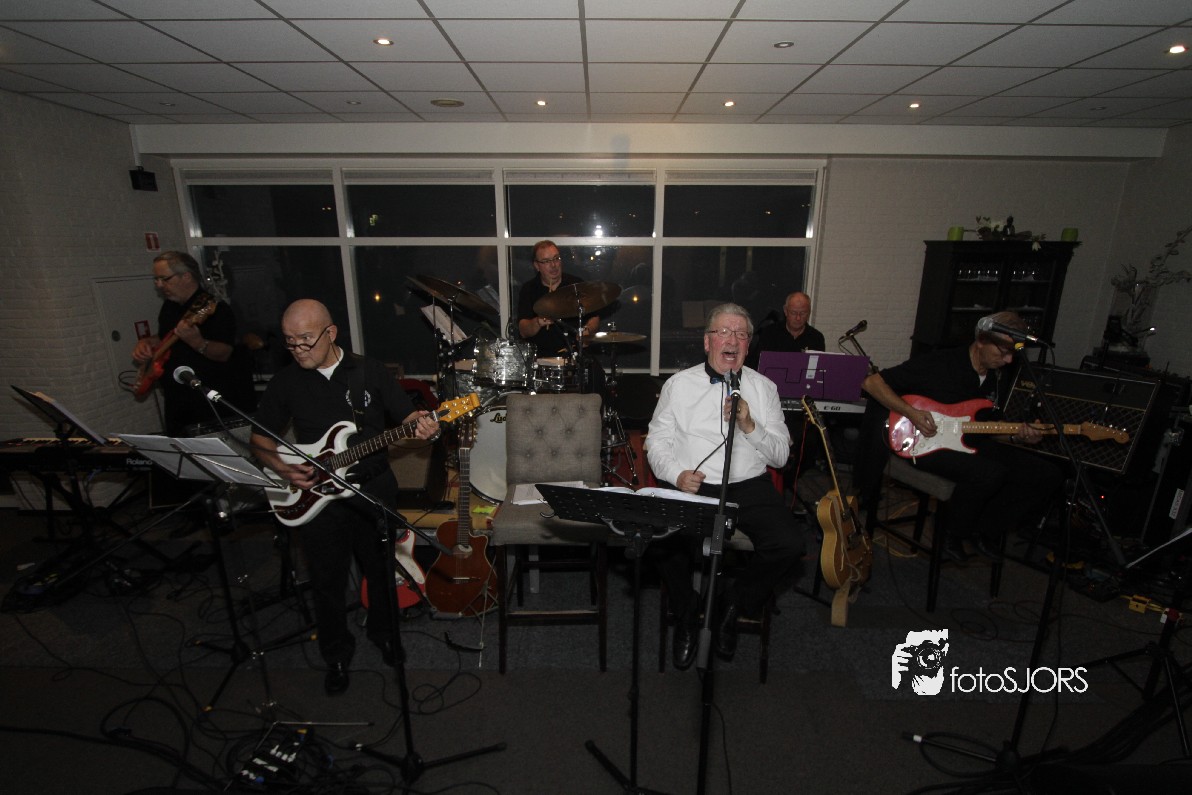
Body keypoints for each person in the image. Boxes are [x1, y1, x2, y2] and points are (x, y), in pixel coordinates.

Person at [250, 299, 440, 696]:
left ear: (331, 332)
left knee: (382, 570)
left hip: (372, 489)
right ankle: (336, 654)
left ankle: (385, 635)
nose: (298, 349)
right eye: (290, 341)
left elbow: (406, 416)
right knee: (326, 580)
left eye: (306, 339)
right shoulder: (286, 381)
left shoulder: (368, 371)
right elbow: (260, 440)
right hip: (316, 497)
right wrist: (285, 470)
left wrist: (425, 426)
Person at [646, 303, 808, 670]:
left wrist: (750, 425)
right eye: (723, 332)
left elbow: (781, 456)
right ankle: (687, 612)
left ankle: (732, 605)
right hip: (694, 486)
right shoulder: (679, 385)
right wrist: (677, 474)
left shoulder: (764, 388)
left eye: (740, 334)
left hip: (748, 485)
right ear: (708, 342)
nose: (731, 340)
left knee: (790, 543)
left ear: (748, 345)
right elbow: (656, 443)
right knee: (661, 539)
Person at [859, 311, 1065, 562]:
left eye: (1013, 354)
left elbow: (988, 428)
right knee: (989, 473)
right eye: (1003, 352)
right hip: (927, 443)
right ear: (981, 340)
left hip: (970, 442)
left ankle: (986, 529)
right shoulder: (940, 363)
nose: (1009, 360)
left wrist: (1016, 436)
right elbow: (872, 383)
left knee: (1046, 474)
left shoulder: (997, 378)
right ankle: (950, 532)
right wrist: (912, 413)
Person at [131, 251, 251, 435]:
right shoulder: (169, 306)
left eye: (164, 279)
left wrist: (198, 343)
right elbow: (165, 336)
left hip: (208, 404)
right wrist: (147, 342)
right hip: (177, 403)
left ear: (186, 276)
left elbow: (225, 353)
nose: (159, 285)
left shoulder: (217, 310)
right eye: (156, 280)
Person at [517, 240, 601, 358]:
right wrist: (537, 322)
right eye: (546, 261)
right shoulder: (529, 289)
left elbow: (594, 317)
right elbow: (523, 331)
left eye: (556, 258)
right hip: (541, 358)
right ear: (537, 266)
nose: (553, 265)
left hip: (575, 355)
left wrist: (588, 330)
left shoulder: (576, 285)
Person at [745, 291, 825, 368]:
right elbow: (758, 364)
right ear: (785, 311)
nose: (798, 318)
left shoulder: (816, 338)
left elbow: (819, 368)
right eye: (793, 313)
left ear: (809, 313)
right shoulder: (769, 334)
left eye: (803, 313)